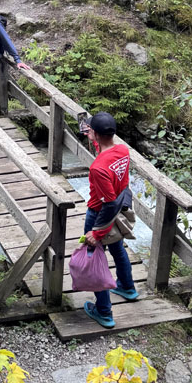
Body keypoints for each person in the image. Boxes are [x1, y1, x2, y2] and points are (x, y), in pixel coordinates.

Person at [80, 111, 139, 328]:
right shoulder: (122, 150)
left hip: (100, 214)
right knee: (118, 249)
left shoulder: (98, 168)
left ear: (95, 132)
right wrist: (94, 140)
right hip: (121, 210)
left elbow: (109, 203)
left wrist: (96, 233)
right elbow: (108, 155)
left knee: (96, 260)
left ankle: (104, 311)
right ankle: (127, 287)